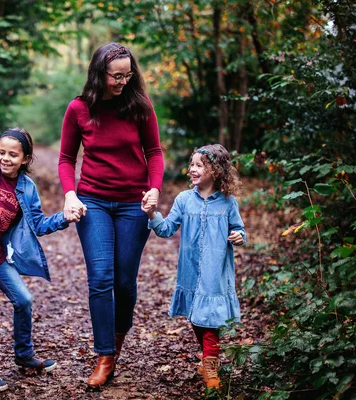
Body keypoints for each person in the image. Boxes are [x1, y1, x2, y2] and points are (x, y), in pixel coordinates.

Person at [58, 42, 164, 387]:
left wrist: (155, 188)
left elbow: (155, 152)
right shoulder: (78, 109)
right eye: (115, 76)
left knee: (124, 282)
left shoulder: (140, 106)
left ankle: (117, 341)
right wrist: (70, 194)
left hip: (135, 205)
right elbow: (65, 159)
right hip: (94, 203)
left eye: (127, 74)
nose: (122, 81)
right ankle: (104, 356)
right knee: (101, 279)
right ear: (98, 73)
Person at [0, 128, 80, 392]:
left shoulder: (27, 188)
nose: (5, 158)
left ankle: (23, 354)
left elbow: (38, 225)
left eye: (12, 154)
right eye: (2, 152)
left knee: (24, 299)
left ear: (25, 159)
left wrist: (64, 217)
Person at [141, 144, 246, 389]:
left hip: (215, 271)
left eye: (200, 165)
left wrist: (239, 236)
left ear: (216, 170)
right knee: (198, 319)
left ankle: (211, 365)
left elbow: (239, 229)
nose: (192, 169)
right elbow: (166, 230)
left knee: (211, 320)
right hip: (189, 271)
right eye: (192, 164)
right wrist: (152, 213)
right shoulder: (184, 200)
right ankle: (208, 357)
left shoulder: (229, 203)